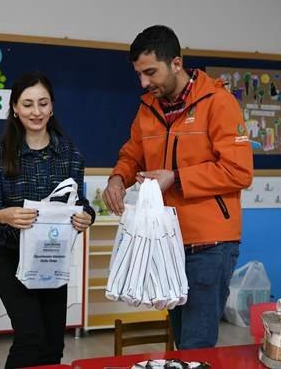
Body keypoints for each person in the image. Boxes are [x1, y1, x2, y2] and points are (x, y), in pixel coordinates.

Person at [102, 25, 253, 349]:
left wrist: (177, 177)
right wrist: (117, 179)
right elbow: (131, 155)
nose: (144, 83)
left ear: (176, 63)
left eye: (150, 72)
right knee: (182, 340)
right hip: (166, 241)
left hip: (210, 244)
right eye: (139, 74)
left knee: (196, 344)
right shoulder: (148, 109)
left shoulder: (219, 103)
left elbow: (239, 171)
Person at [0, 72, 95, 368]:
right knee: (30, 336)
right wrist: (4, 215)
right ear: (15, 108)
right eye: (28, 104)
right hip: (8, 257)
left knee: (53, 344)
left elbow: (80, 203)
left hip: (50, 258)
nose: (36, 111)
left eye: (43, 103)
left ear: (52, 107)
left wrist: (87, 217)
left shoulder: (70, 154)